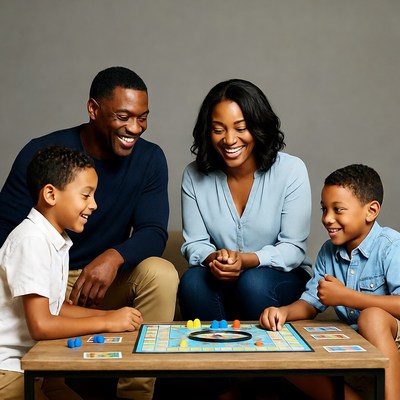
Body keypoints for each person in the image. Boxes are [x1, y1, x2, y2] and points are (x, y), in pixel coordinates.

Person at [0, 66, 179, 400]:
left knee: (161, 272)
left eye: (143, 117)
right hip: (40, 282)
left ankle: (135, 395)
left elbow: (154, 232)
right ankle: (47, 378)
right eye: (124, 116)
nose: (134, 128)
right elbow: (6, 233)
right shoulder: (46, 158)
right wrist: (107, 321)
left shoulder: (150, 159)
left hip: (101, 281)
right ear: (94, 109)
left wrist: (112, 258)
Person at [0, 146, 143, 400]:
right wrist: (108, 322)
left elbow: (55, 309)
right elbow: (41, 325)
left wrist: (112, 316)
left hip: (37, 369)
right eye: (86, 195)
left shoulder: (55, 239)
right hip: (11, 373)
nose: (94, 204)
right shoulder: (31, 240)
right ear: (51, 195)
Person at [260, 164, 400, 400]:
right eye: (324, 209)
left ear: (371, 211)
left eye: (338, 210)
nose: (327, 218)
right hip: (355, 346)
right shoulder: (328, 251)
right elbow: (311, 303)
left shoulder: (391, 246)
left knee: (372, 316)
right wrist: (282, 312)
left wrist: (347, 297)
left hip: (394, 345)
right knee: (283, 355)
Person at [178, 78, 313, 323]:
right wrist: (216, 259)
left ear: (258, 127)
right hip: (223, 279)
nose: (230, 140)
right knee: (193, 282)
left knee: (253, 281)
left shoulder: (291, 170)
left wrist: (247, 261)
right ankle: (216, 358)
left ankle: (266, 359)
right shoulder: (193, 175)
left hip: (281, 279)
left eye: (241, 128)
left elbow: (293, 249)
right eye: (219, 129)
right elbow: (194, 244)